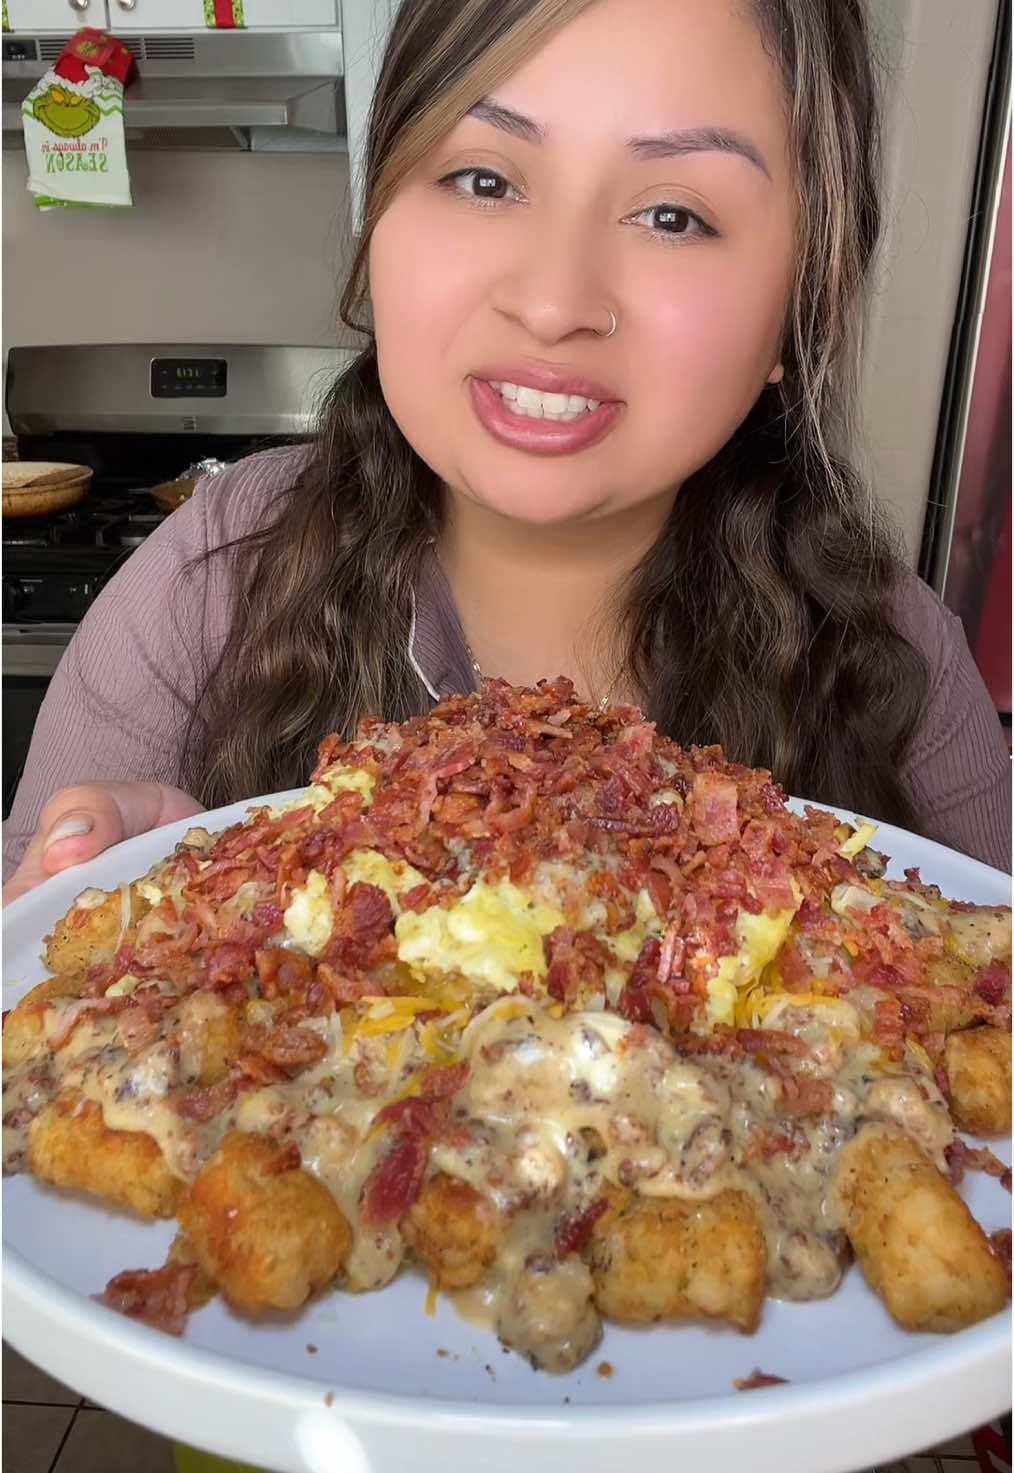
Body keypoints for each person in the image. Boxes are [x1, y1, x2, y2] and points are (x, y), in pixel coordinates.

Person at [3, 0, 1010, 911]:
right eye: (483, 178)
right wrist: (125, 916)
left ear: (802, 309)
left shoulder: (894, 656)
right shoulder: (209, 579)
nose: (553, 302)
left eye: (674, 215)